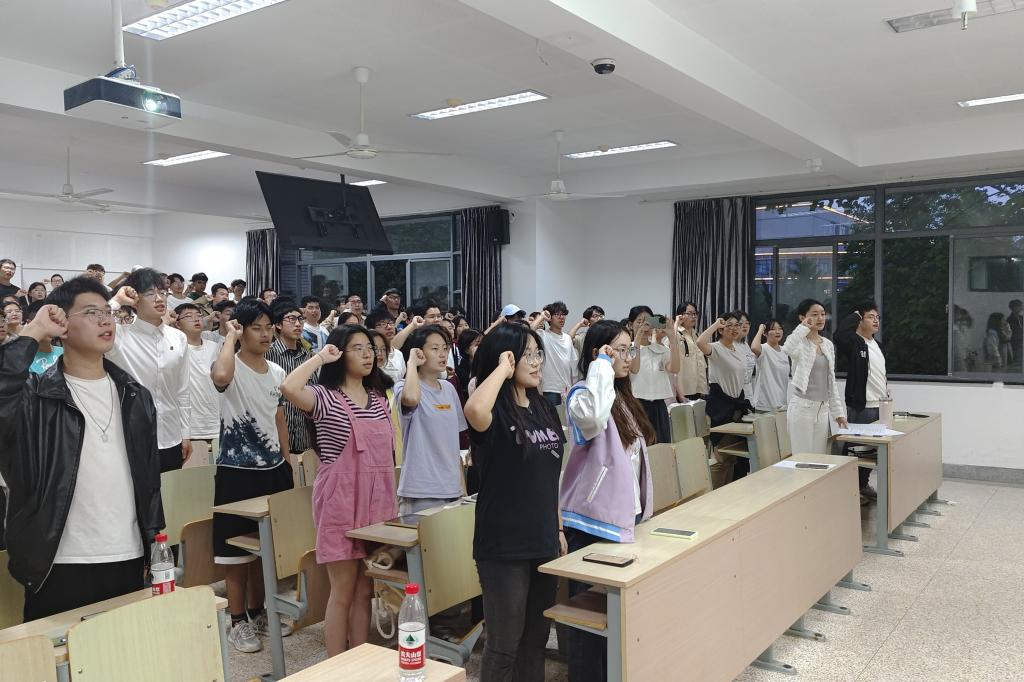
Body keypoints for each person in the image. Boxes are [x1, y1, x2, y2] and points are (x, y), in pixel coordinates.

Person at [0, 278, 162, 620]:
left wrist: (154, 547)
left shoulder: (136, 396)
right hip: (57, 561)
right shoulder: (34, 397)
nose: (105, 320)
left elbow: (149, 482)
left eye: (107, 312)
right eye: (90, 313)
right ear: (62, 325)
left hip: (128, 553)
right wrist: (34, 330)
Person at [279, 325, 396, 657]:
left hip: (377, 505)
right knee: (342, 591)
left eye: (370, 348)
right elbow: (289, 387)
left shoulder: (379, 399)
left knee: (364, 591)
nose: (367, 354)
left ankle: (359, 660)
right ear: (339, 354)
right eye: (357, 348)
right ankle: (337, 667)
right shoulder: (324, 397)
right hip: (341, 505)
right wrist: (319, 357)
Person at [464, 322, 565, 682]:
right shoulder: (494, 410)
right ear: (504, 361)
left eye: (539, 354)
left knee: (536, 640)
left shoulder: (543, 407)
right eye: (527, 356)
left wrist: (557, 528)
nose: (537, 362)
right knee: (504, 644)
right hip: (503, 545)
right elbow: (474, 410)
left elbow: (551, 476)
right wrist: (501, 370)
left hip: (542, 538)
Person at [561, 320, 655, 680]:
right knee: (589, 618)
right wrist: (600, 366)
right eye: (620, 349)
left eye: (631, 349)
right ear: (598, 353)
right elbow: (593, 420)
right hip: (590, 522)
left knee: (615, 615)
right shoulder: (582, 395)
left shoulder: (621, 396)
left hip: (623, 517)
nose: (628, 357)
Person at [210, 300, 294, 653]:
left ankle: (259, 612)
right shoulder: (229, 363)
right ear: (241, 329)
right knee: (234, 554)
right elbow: (220, 378)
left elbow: (278, 418)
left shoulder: (276, 371)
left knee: (265, 551)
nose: (265, 334)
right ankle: (236, 620)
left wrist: (287, 460)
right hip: (236, 471)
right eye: (256, 327)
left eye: (268, 327)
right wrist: (229, 337)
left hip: (273, 470)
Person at [107, 268, 192, 473]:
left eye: (162, 292)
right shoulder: (119, 336)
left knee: (171, 492)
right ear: (134, 300)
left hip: (172, 436)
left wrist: (186, 433)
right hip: (131, 436)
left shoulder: (178, 337)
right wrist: (117, 300)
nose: (159, 298)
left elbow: (182, 390)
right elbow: (91, 324)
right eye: (150, 293)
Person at [395, 326, 468, 514]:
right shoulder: (404, 387)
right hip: (421, 491)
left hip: (452, 489)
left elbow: (453, 444)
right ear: (419, 352)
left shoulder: (449, 388)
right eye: (435, 349)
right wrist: (411, 364)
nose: (442, 354)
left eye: (445, 348)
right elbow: (411, 399)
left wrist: (462, 489)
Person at [835, 303, 886, 503]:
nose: (876, 320)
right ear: (860, 321)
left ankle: (862, 485)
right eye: (870, 317)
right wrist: (855, 315)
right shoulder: (855, 343)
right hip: (861, 406)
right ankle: (848, 491)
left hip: (879, 406)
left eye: (877, 317)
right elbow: (839, 335)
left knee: (870, 452)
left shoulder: (878, 345)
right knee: (855, 449)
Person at [783, 299, 848, 455]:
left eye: (823, 314)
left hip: (823, 410)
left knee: (819, 459)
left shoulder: (827, 344)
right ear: (802, 318)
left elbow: (830, 382)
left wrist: (838, 413)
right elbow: (786, 349)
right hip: (802, 408)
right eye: (814, 314)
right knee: (802, 459)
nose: (820, 318)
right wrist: (803, 327)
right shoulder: (799, 343)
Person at [696, 312, 752, 482]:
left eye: (737, 325)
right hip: (721, 407)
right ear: (721, 329)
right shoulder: (716, 348)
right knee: (722, 457)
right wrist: (715, 324)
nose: (734, 328)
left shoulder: (739, 349)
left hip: (737, 406)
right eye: (729, 325)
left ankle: (732, 490)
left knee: (734, 458)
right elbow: (700, 342)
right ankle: (716, 493)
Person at [266, 301, 318, 455]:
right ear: (278, 325)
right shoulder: (268, 354)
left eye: (300, 319)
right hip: (275, 436)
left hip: (305, 437)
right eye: (291, 319)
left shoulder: (309, 357)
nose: (298, 324)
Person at [625, 306, 681, 443]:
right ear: (630, 325)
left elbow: (675, 368)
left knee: (662, 446)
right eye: (639, 321)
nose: (645, 326)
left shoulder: (661, 349)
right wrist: (638, 337)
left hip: (659, 406)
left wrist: (672, 338)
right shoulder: (627, 348)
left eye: (648, 322)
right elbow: (634, 368)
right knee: (641, 446)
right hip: (637, 405)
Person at [174, 302, 221, 449]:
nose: (196, 319)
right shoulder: (175, 349)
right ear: (177, 324)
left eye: (199, 315)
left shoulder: (214, 347)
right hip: (190, 428)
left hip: (216, 423)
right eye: (188, 316)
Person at [532, 302, 585, 407]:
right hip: (550, 388)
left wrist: (573, 386)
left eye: (563, 314)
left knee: (564, 417)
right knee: (550, 416)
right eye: (557, 314)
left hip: (566, 389)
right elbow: (527, 331)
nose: (561, 317)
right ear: (550, 318)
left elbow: (572, 365)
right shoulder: (543, 335)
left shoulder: (567, 338)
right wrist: (542, 316)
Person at [750, 319, 790, 412]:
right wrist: (761, 329)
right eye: (773, 329)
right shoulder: (764, 349)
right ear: (765, 333)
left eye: (780, 328)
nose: (777, 331)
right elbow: (754, 347)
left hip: (782, 405)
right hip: (764, 405)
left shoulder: (785, 351)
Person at [673, 301, 708, 401]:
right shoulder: (676, 333)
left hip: (698, 388)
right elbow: (670, 347)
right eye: (689, 313)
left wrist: (703, 387)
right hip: (683, 390)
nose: (693, 317)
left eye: (694, 314)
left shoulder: (696, 335)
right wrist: (676, 324)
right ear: (680, 316)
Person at [23, 301, 64, 374]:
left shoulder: (64, 352)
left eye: (53, 321)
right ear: (30, 323)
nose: (49, 327)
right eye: (43, 323)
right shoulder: (24, 361)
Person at [455, 329, 483, 404]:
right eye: (477, 345)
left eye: (483, 343)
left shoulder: (489, 366)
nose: (483, 347)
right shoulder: (460, 372)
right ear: (467, 350)